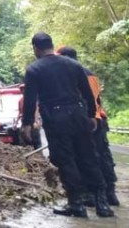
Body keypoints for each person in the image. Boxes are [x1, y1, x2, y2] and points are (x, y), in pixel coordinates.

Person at [22, 32, 113, 218]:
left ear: (35, 48)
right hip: (79, 115)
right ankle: (102, 203)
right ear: (51, 44)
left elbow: (30, 100)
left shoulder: (34, 69)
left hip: (56, 119)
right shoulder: (73, 64)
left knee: (66, 160)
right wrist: (90, 116)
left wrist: (27, 124)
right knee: (88, 156)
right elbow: (87, 93)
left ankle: (77, 204)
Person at [56, 46, 120, 207]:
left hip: (88, 121)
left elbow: (88, 99)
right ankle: (109, 194)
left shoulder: (74, 74)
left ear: (65, 57)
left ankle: (94, 196)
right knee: (103, 156)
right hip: (98, 119)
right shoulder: (89, 73)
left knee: (87, 158)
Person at [17, 84, 42, 149]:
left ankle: (39, 153)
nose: (23, 91)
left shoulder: (32, 98)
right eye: (21, 89)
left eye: (24, 89)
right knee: (25, 138)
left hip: (32, 120)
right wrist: (16, 121)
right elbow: (20, 112)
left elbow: (36, 109)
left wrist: (36, 120)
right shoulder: (20, 101)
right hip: (25, 121)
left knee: (35, 138)